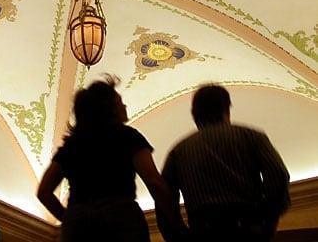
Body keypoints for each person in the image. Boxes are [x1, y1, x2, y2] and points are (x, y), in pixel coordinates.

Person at [37, 75, 185, 242]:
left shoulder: (72, 146)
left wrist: (68, 217)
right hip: (121, 219)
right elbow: (154, 182)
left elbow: (44, 192)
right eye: (119, 101)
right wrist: (176, 222)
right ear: (110, 108)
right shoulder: (128, 137)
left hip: (78, 223)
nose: (124, 105)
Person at [157, 84, 290, 242]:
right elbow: (278, 175)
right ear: (226, 108)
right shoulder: (252, 137)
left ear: (194, 114)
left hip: (203, 231)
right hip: (248, 228)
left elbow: (163, 196)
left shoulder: (178, 151)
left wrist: (178, 233)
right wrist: (268, 220)